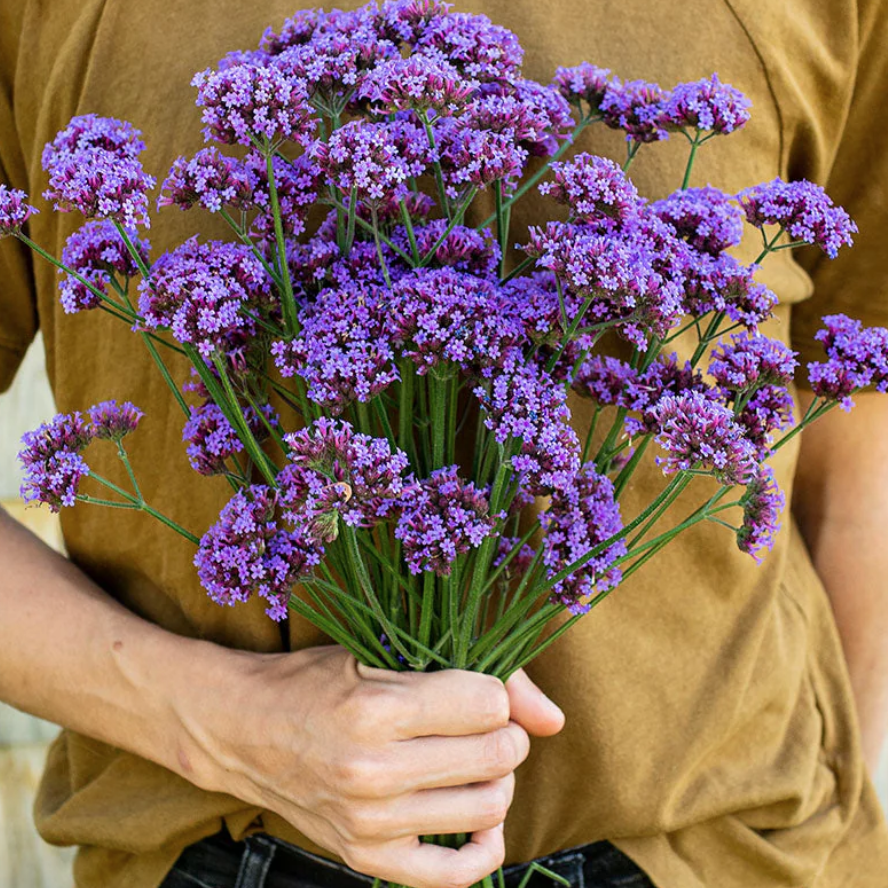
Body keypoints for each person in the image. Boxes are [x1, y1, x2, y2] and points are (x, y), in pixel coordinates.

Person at [1, 1, 887, 886]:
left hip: (724, 850)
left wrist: (838, 769)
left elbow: (863, 406)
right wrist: (219, 721)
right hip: (218, 853)